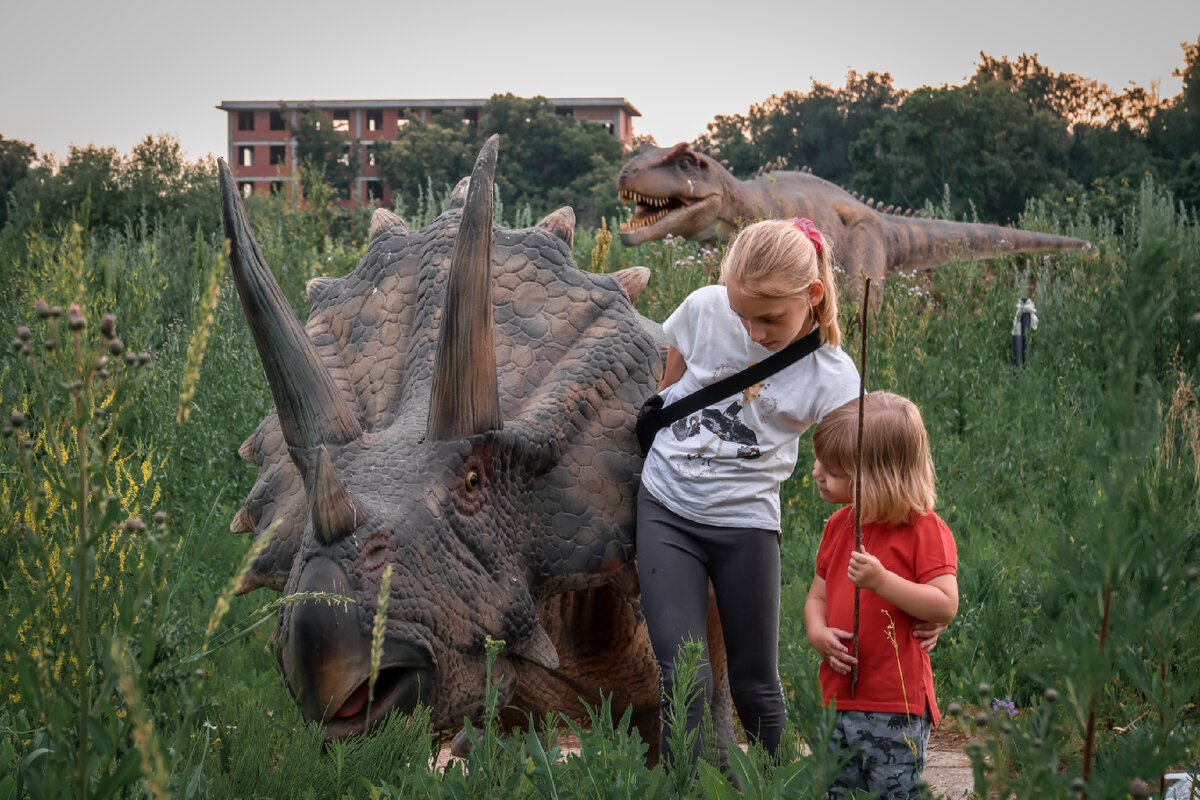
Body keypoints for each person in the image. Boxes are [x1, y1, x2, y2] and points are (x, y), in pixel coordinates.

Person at [636, 217, 859, 766]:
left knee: (757, 685)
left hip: (748, 526)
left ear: (812, 295)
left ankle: (781, 785)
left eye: (770, 318)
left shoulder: (833, 378)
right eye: (743, 316)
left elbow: (849, 477)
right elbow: (666, 392)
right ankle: (683, 788)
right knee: (683, 676)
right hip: (667, 508)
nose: (755, 332)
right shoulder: (706, 307)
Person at [805, 391, 959, 799]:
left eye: (833, 470)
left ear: (876, 478)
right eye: (820, 460)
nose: (817, 472)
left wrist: (883, 581)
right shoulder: (838, 527)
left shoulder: (924, 530)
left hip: (896, 705)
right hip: (836, 699)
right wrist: (818, 634)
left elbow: (945, 602)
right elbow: (816, 599)